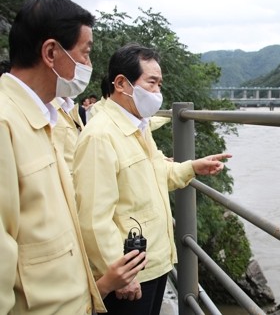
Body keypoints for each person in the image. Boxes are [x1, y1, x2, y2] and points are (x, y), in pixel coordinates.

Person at [0, 0, 146, 314]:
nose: (88, 64)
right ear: (52, 52)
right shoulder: (6, 124)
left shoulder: (44, 119)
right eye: (85, 51)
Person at [73, 43, 232, 315]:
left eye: (160, 84)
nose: (158, 92)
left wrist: (192, 167)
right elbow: (92, 218)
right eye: (152, 83)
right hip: (132, 272)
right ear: (122, 83)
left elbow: (156, 174)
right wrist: (120, 273)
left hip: (155, 261)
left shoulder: (139, 126)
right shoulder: (100, 136)